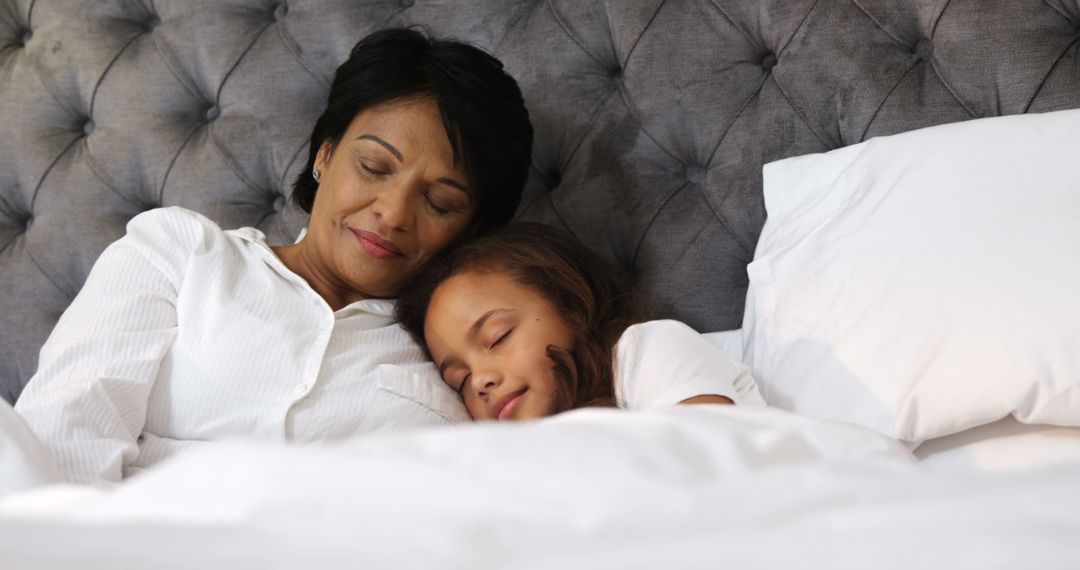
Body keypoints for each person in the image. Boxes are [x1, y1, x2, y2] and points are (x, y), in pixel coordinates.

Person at [15, 28, 533, 483]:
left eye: (440, 201)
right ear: (325, 156)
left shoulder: (467, 360)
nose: (394, 213)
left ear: (472, 229)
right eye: (374, 167)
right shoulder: (179, 253)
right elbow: (64, 435)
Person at [396, 224, 765, 421]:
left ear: (570, 305)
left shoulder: (647, 351)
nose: (479, 380)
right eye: (458, 381)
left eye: (498, 337)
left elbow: (708, 460)